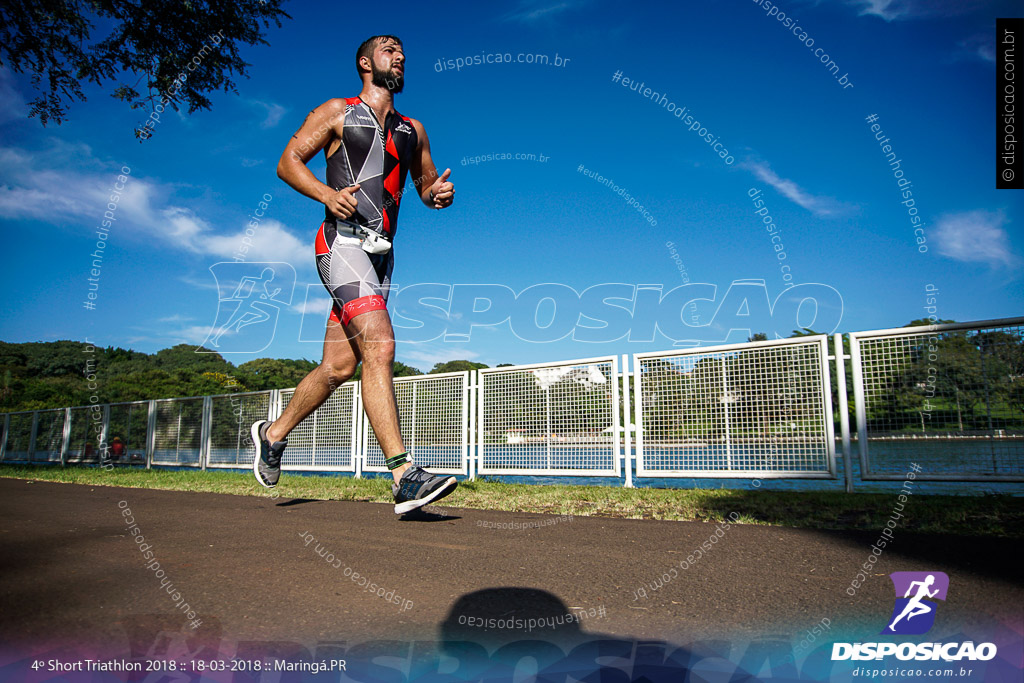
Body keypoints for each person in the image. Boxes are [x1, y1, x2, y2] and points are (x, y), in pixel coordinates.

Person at [251, 34, 457, 514]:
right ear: (366, 62)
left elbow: (426, 186)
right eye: (389, 50)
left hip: (382, 257)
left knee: (339, 367)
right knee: (380, 344)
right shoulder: (337, 110)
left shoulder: (413, 130)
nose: (400, 56)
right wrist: (326, 195)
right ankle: (405, 474)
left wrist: (437, 195)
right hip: (340, 244)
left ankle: (273, 434)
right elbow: (288, 163)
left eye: (403, 51)